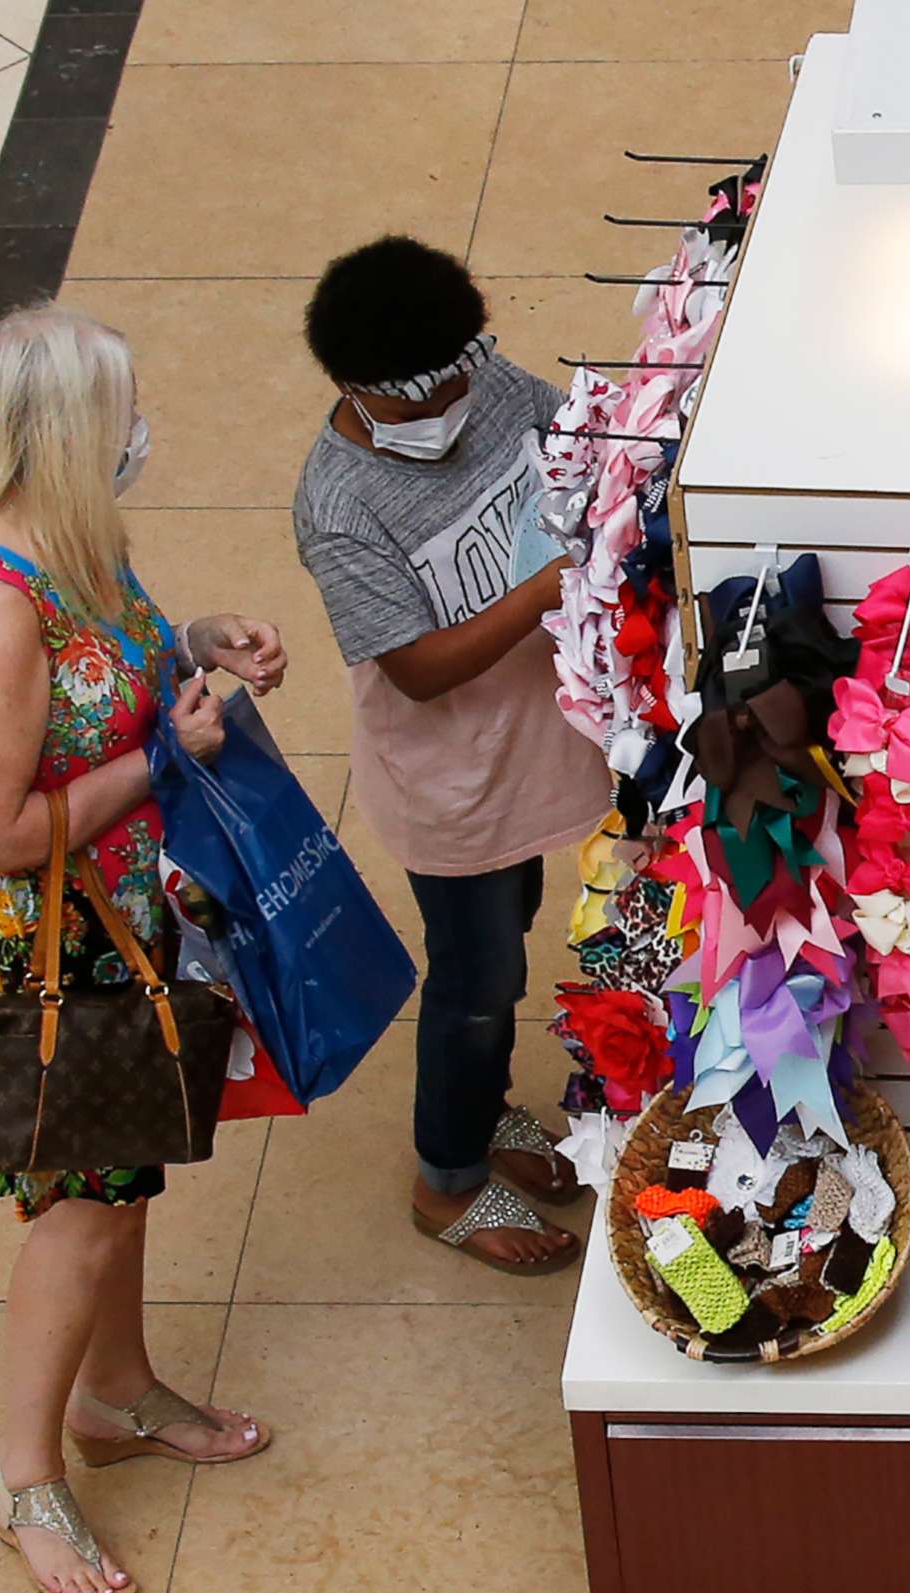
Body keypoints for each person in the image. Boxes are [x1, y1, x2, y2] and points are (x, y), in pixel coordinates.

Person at [0, 304, 289, 1593]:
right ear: (67, 437)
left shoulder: (65, 549)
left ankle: (118, 1396)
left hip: (120, 942)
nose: (139, 438)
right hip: (52, 972)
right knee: (79, 1211)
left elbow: (111, 665)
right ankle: (25, 1469)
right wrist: (163, 759)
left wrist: (199, 644)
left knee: (123, 1188)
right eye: (119, 418)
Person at [291, 235, 608, 1275]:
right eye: (416, 399)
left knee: (509, 934)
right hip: (454, 785)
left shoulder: (486, 381)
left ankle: (487, 1112)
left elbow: (573, 445)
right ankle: (447, 1180)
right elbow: (419, 670)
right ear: (354, 389)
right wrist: (548, 586)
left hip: (539, 742)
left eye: (457, 379)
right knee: (475, 977)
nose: (446, 410)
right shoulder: (339, 510)